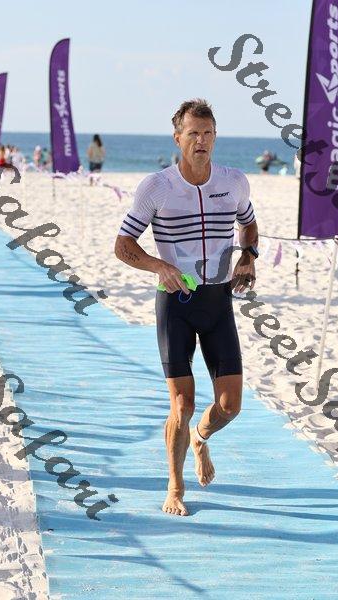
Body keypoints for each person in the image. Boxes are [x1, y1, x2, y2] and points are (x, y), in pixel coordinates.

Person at [114, 99, 258, 517]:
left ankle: (201, 438)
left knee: (230, 406)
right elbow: (123, 245)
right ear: (177, 138)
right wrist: (159, 266)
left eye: (208, 133)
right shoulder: (156, 187)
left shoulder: (234, 182)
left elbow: (248, 224)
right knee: (182, 403)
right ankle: (175, 487)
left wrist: (248, 256)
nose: (201, 141)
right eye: (193, 133)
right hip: (176, 303)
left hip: (218, 302)